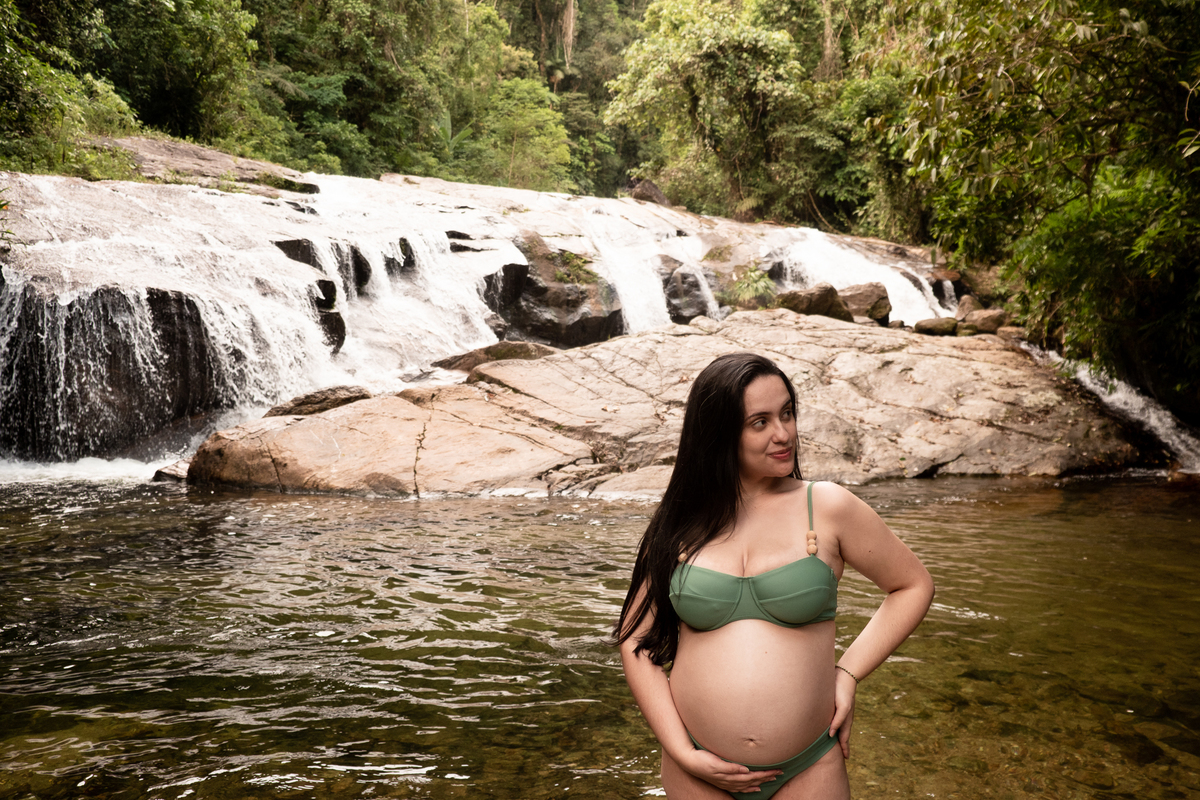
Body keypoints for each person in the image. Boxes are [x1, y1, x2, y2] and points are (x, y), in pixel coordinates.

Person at [613, 352, 934, 799]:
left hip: (808, 764)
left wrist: (848, 673)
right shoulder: (679, 522)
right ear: (719, 434)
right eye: (759, 422)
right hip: (698, 770)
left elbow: (912, 585)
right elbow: (634, 641)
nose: (783, 434)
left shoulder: (827, 506)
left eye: (787, 413)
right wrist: (681, 750)